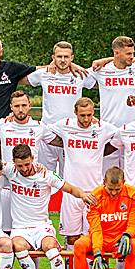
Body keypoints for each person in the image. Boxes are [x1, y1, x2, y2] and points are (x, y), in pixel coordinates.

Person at [0, 144, 95, 269]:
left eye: (27, 164)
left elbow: (69, 188)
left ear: (33, 159)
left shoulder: (45, 175)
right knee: (18, 246)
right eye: (20, 165)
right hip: (20, 228)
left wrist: (83, 195)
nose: (24, 169)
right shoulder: (10, 170)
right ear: (13, 162)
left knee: (50, 247)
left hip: (42, 226)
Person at [42, 97, 117, 244]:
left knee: (94, 237)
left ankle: (94, 268)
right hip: (71, 192)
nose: (86, 119)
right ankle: (72, 268)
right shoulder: (65, 125)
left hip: (94, 193)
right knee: (72, 238)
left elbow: (122, 134)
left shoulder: (103, 127)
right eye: (82, 115)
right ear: (75, 112)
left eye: (89, 114)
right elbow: (42, 129)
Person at [73, 167, 135, 269]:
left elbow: (134, 222)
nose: (114, 193)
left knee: (133, 245)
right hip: (100, 238)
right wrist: (98, 253)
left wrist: (127, 235)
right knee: (79, 245)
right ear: (104, 182)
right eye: (110, 189)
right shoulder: (95, 197)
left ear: (124, 182)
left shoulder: (133, 194)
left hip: (120, 239)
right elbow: (95, 228)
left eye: (118, 189)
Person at [0, 90, 47, 237]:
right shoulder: (2, 124)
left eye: (24, 105)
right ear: (10, 106)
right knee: (6, 232)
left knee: (31, 231)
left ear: (30, 106)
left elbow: (58, 140)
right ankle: (8, 261)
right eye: (17, 106)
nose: (20, 109)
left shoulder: (39, 126)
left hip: (30, 187)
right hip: (7, 184)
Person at [27, 41, 94, 175]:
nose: (62, 60)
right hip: (48, 131)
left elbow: (97, 81)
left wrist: (75, 66)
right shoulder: (43, 74)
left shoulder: (80, 75)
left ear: (72, 58)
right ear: (53, 58)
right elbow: (23, 78)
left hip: (71, 132)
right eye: (59, 57)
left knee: (69, 174)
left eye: (66, 57)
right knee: (45, 174)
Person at [88, 36, 135, 171]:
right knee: (107, 176)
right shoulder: (101, 70)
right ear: (116, 53)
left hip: (133, 131)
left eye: (133, 53)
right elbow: (76, 75)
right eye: (128, 54)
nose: (132, 57)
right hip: (109, 131)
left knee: (132, 175)